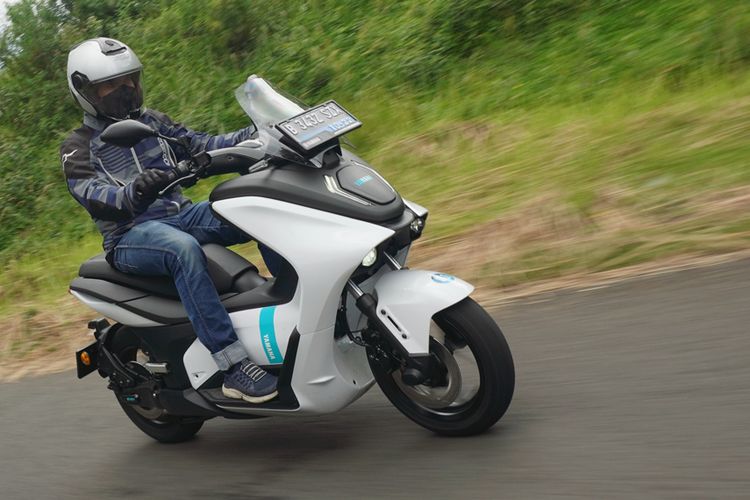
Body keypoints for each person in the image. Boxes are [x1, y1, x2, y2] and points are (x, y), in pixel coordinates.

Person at [61, 37, 279, 403]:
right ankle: (233, 367)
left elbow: (202, 146)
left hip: (183, 213)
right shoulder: (78, 146)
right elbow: (92, 193)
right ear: (87, 92)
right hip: (130, 235)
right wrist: (133, 192)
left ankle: (293, 306)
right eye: (112, 85)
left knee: (256, 207)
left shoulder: (153, 122)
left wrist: (261, 133)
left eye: (130, 80)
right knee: (182, 249)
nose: (126, 90)